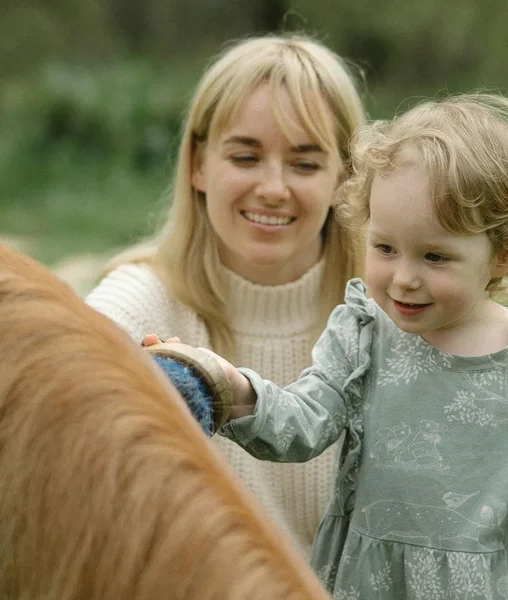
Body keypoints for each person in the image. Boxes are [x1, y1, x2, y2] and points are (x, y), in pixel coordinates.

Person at [161, 94, 508, 597]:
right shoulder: (365, 336)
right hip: (371, 582)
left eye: (435, 257)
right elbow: (304, 421)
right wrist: (234, 389)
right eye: (385, 248)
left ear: (504, 252)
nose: (404, 279)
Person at [85, 34, 368, 556]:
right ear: (197, 163)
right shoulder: (143, 298)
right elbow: (51, 380)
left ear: (344, 179)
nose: (274, 188)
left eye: (305, 164)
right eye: (245, 157)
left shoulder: (387, 313)